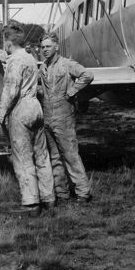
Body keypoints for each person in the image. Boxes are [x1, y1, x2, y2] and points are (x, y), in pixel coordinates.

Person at [0, 25, 55, 216]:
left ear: (9, 42)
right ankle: (49, 199)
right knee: (42, 156)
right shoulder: (28, 57)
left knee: (23, 158)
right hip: (36, 107)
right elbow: (3, 55)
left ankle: (31, 204)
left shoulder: (15, 62)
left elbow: (10, 92)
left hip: (21, 109)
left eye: (4, 42)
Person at [39, 32, 94, 203]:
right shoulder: (43, 67)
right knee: (55, 157)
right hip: (47, 118)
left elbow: (87, 75)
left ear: (56, 47)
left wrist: (71, 91)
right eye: (42, 47)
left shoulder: (67, 64)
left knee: (71, 156)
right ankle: (61, 193)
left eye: (48, 46)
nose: (45, 50)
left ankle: (83, 193)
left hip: (63, 117)